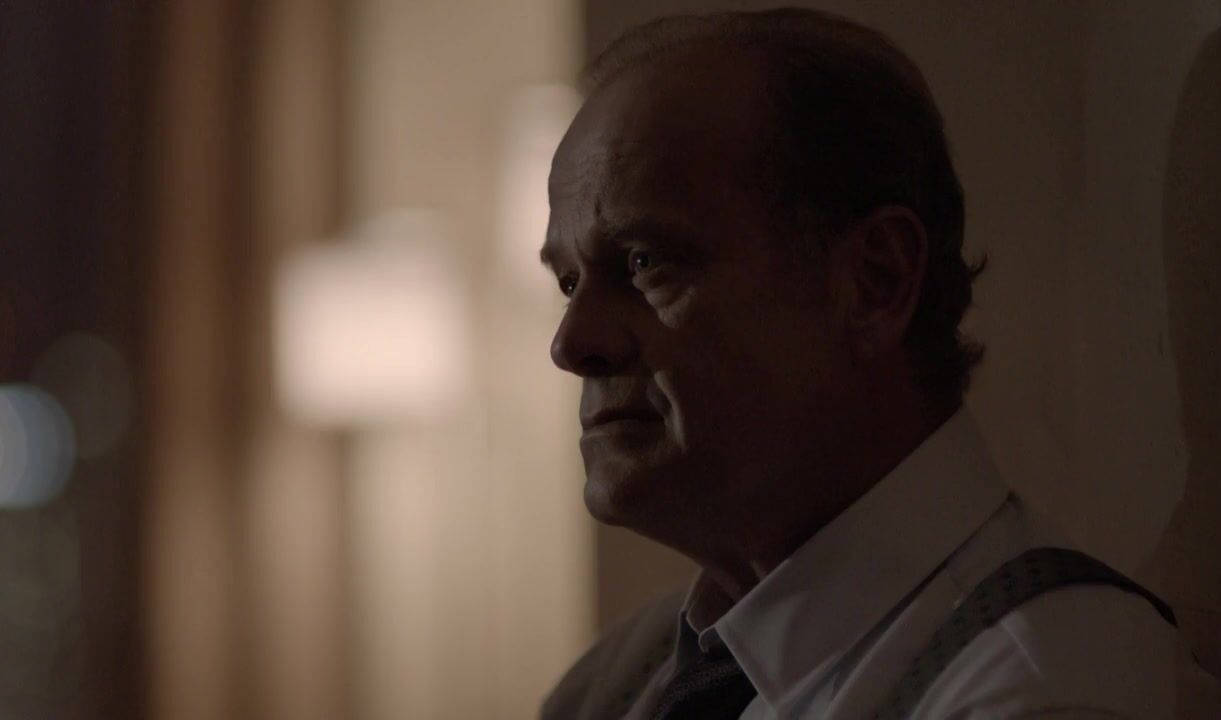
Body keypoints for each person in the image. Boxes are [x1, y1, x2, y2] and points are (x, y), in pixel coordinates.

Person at [538, 8, 1220, 719]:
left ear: (875, 281)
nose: (570, 342)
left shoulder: (1049, 691)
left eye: (644, 262)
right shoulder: (618, 681)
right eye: (568, 282)